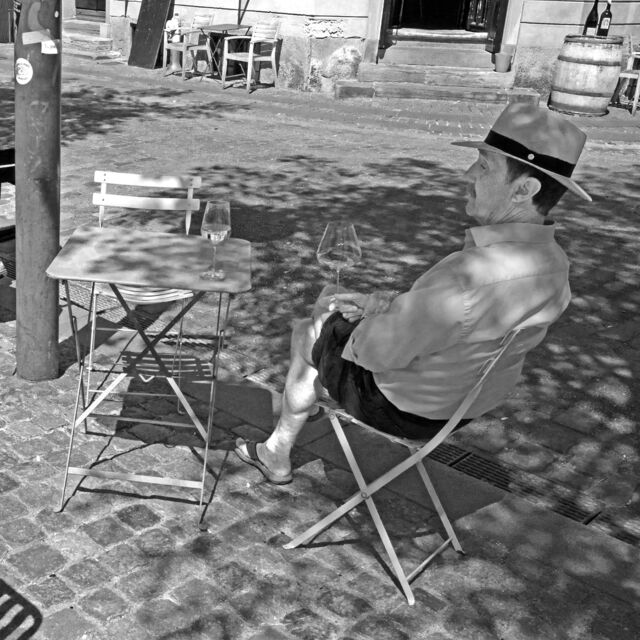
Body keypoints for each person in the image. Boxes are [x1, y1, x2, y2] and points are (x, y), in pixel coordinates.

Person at [235, 102, 591, 485]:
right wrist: (383, 307)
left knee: (308, 328)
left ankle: (277, 451)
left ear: (524, 189)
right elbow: (459, 326)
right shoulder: (556, 265)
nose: (469, 174)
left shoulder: (467, 276)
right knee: (330, 319)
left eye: (485, 166)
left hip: (401, 410)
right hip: (462, 408)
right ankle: (306, 397)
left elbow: (376, 353)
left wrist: (341, 320)